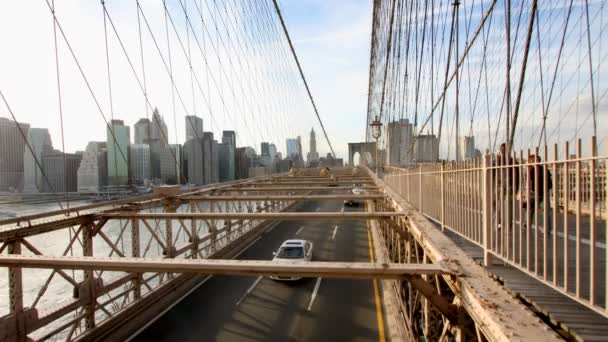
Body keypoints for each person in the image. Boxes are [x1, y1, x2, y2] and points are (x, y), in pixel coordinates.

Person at [525, 155, 553, 232]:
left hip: (539, 192)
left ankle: (528, 223)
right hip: (538, 191)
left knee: (533, 209)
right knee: (532, 209)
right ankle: (546, 228)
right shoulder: (535, 170)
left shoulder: (536, 170)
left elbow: (530, 182)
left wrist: (530, 191)